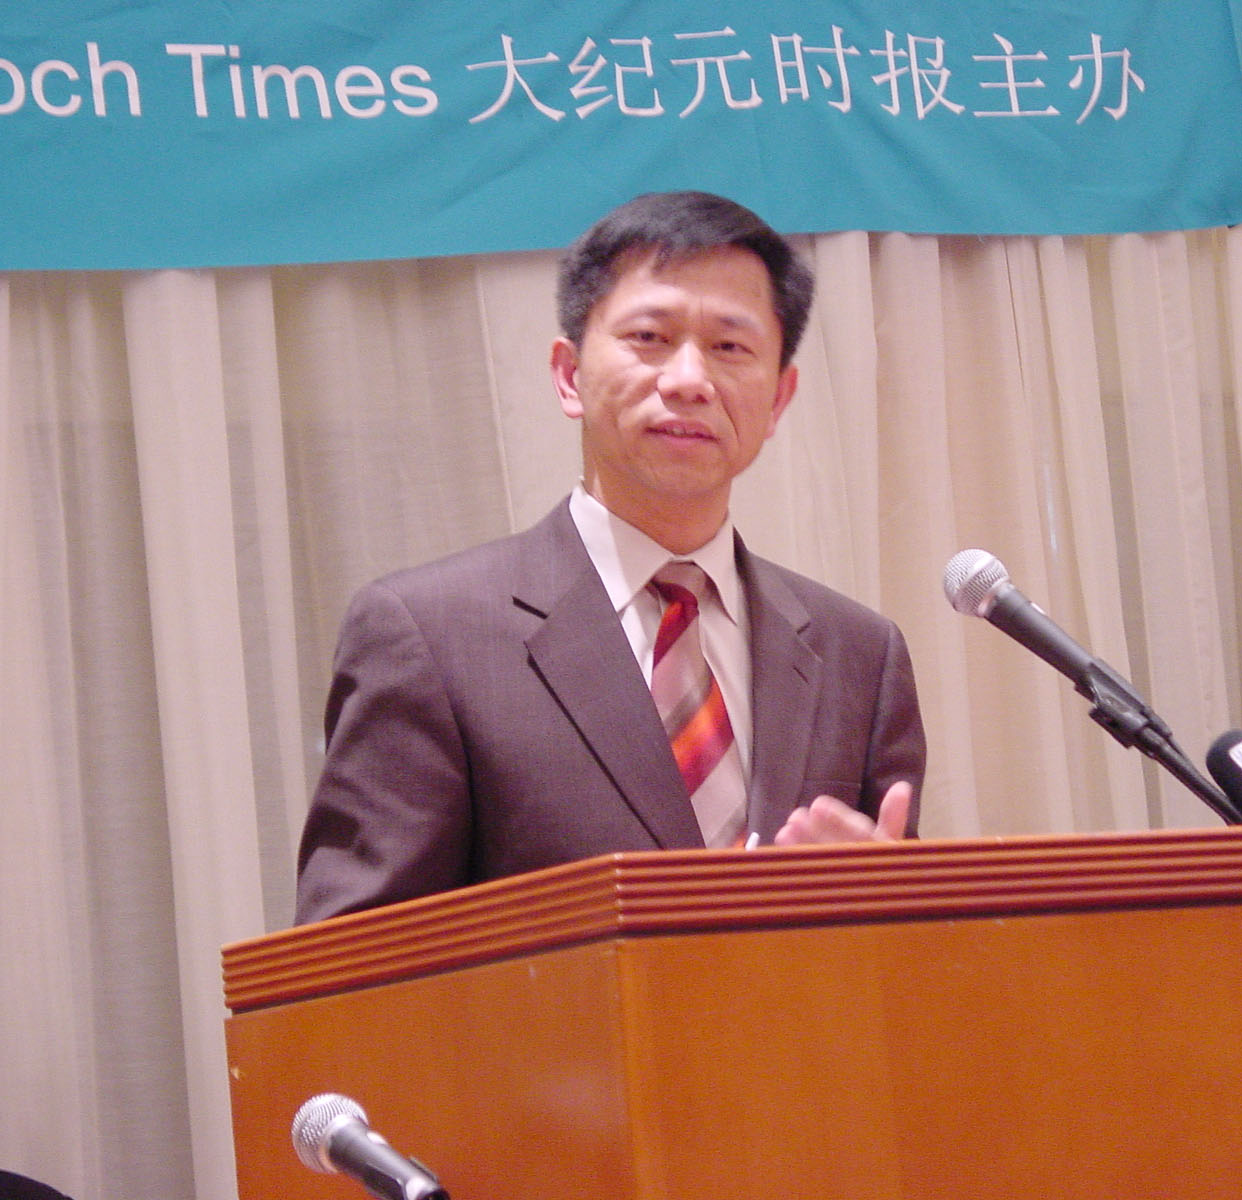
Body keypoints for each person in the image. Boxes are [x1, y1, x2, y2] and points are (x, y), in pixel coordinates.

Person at [294, 191, 926, 923]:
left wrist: (882, 911)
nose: (688, 380)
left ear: (779, 398)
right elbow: (355, 956)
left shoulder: (859, 655)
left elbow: (914, 953)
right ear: (569, 376)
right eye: (649, 337)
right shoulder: (429, 636)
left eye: (729, 348)